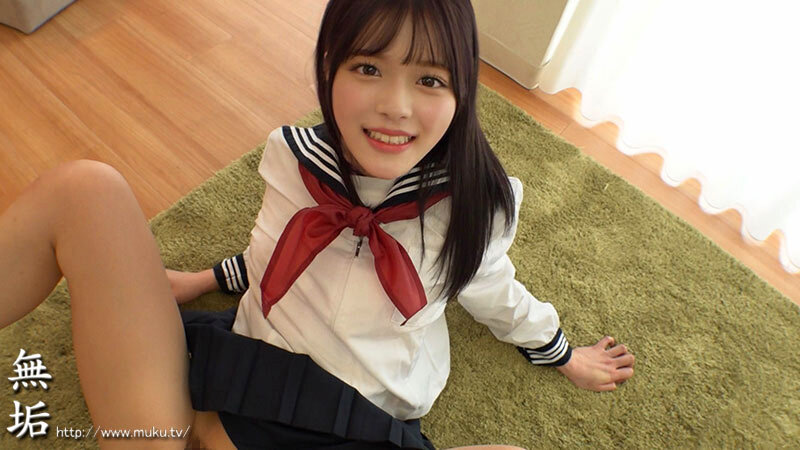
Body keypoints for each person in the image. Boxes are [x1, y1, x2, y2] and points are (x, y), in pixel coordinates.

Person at [0, 0, 633, 448]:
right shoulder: (290, 157)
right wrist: (204, 279)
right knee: (83, 189)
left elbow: (493, 290)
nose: (395, 106)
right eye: (368, 68)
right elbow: (279, 251)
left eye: (429, 79)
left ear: (462, 91)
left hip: (351, 418)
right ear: (328, 66)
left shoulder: (476, 206)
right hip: (234, 372)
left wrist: (559, 352)